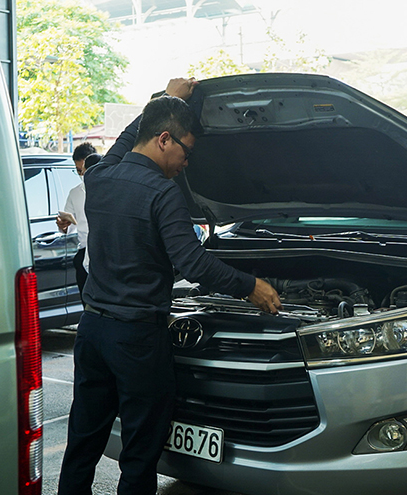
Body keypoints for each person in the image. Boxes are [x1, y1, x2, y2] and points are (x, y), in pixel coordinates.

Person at [57, 77, 283, 495]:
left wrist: (166, 99)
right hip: (138, 340)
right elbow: (192, 263)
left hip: (92, 334)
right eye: (186, 151)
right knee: (140, 454)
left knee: (83, 441)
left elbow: (129, 139)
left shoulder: (100, 177)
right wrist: (250, 285)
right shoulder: (162, 193)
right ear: (165, 140)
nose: (186, 163)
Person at [57, 152, 103, 300]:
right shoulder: (76, 193)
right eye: (79, 171)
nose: (82, 174)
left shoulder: (112, 191)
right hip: (84, 252)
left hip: (105, 252)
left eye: (83, 170)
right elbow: (67, 227)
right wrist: (63, 225)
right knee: (87, 303)